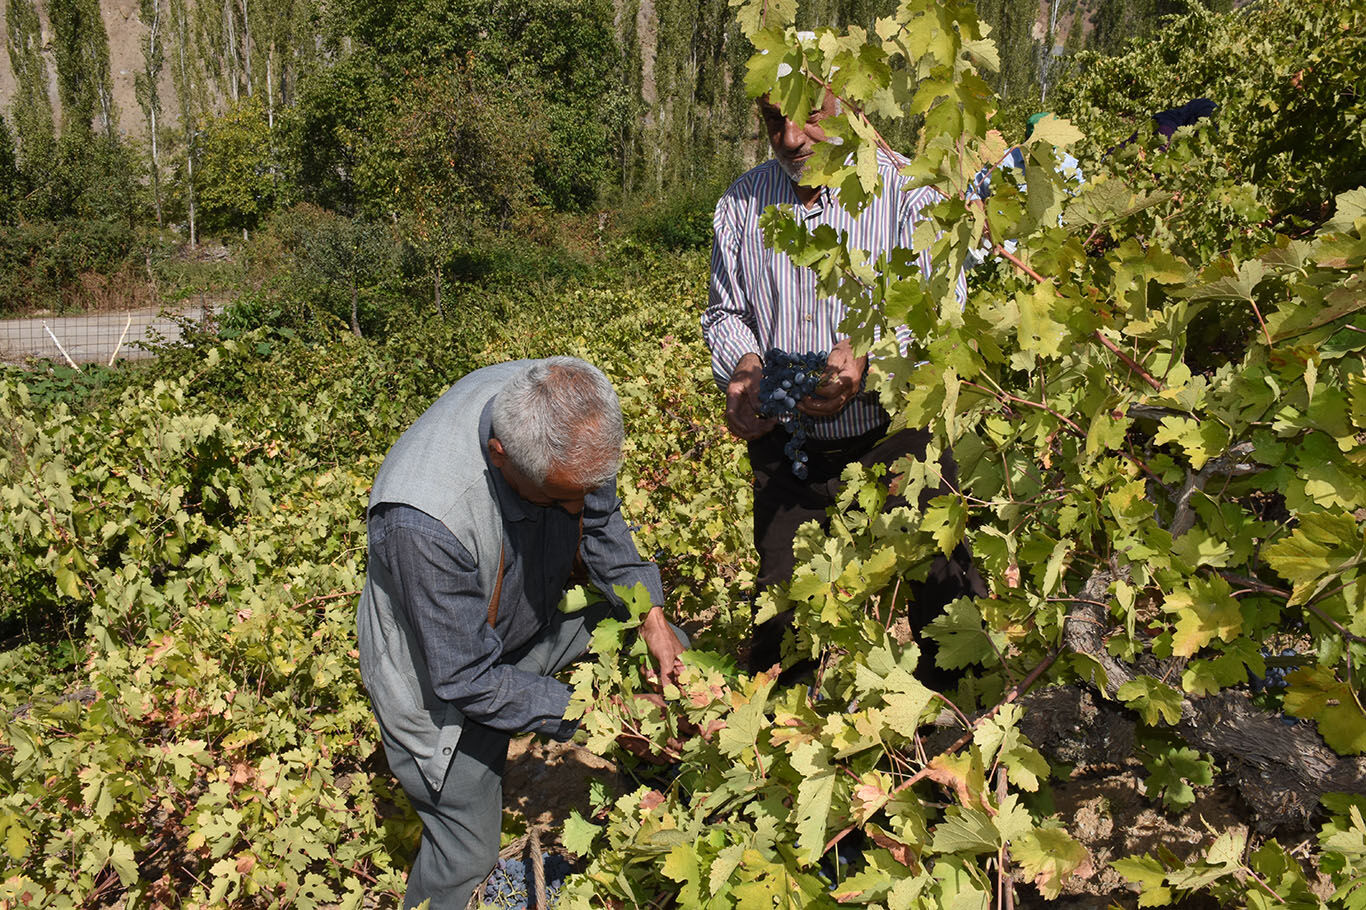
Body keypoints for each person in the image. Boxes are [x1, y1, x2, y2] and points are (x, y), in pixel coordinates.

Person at [356, 356, 687, 909]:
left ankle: (671, 784)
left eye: (587, 489)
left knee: (665, 642)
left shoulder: (565, 416)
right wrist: (608, 720)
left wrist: (653, 622)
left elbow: (601, 526)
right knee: (465, 852)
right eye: (560, 500)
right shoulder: (424, 520)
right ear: (500, 456)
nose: (579, 508)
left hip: (527, 619)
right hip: (440, 683)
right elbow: (467, 677)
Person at [702, 87, 983, 679]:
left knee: (942, 588)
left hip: (896, 431)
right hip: (789, 448)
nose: (792, 137)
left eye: (810, 113)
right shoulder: (740, 203)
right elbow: (725, 312)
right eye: (775, 121)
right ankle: (787, 743)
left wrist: (874, 357)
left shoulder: (908, 193)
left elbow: (942, 309)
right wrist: (744, 363)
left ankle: (954, 728)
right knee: (782, 613)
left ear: (852, 105)